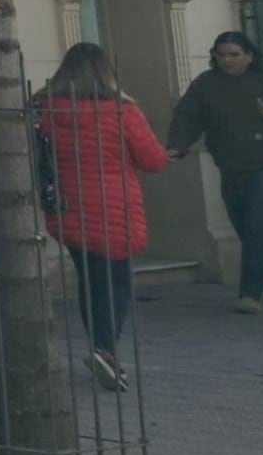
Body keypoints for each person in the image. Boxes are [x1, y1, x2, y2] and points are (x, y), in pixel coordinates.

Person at [35, 42, 166, 391]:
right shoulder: (121, 110)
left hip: (67, 207)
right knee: (117, 282)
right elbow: (154, 160)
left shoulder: (43, 108)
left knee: (91, 279)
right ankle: (105, 350)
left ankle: (100, 346)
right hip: (113, 208)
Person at [168, 29, 263, 315]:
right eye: (221, 55)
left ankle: (250, 294)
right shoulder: (206, 84)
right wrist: (178, 146)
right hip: (232, 165)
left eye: (235, 55)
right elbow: (187, 117)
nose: (228, 61)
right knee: (245, 227)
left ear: (249, 55)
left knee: (257, 224)